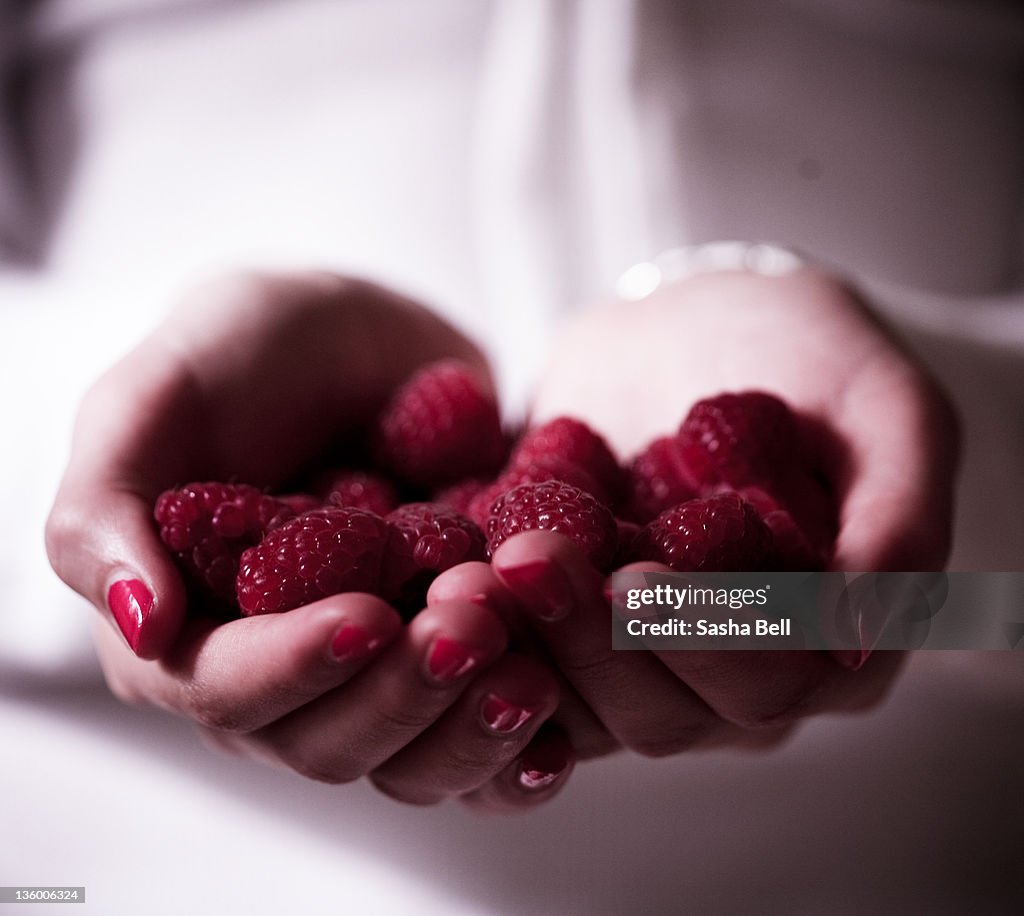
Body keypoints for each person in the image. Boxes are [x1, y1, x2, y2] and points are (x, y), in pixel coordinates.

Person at [4, 0, 1023, 910]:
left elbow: (994, 599)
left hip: (902, 841)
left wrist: (954, 471)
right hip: (144, 855)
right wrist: (101, 439)